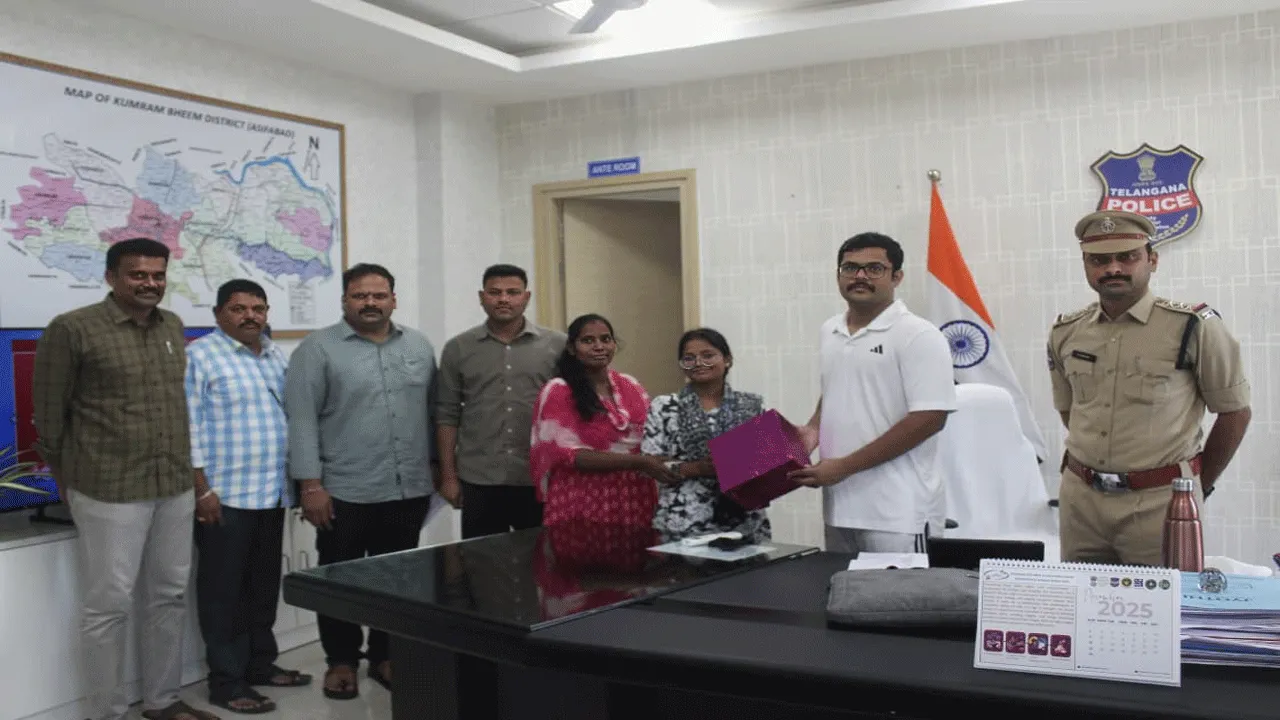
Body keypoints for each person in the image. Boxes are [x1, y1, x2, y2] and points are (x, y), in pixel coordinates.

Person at [32, 238, 219, 720]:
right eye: (138, 274)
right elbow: (49, 420)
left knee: (169, 596)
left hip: (172, 484)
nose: (150, 283)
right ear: (111, 277)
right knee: (109, 606)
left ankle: (162, 701)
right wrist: (69, 484)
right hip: (108, 488)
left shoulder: (172, 325)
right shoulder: (72, 328)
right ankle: (107, 712)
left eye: (158, 275)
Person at [1048, 210, 1251, 565]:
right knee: (1082, 598)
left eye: (1127, 257)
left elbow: (1235, 414)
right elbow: (1071, 411)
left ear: (1152, 260)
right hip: (1082, 503)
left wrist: (1196, 486)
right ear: (1085, 265)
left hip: (1160, 503)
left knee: (1163, 600)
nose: (1113, 268)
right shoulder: (1066, 331)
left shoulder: (1193, 327)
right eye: (1099, 260)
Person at [285, 263, 438, 699]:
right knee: (340, 580)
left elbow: (433, 411)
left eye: (379, 295)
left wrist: (436, 468)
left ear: (393, 299)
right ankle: (341, 661)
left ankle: (386, 655)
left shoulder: (419, 345)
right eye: (360, 295)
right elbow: (302, 420)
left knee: (398, 579)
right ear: (345, 301)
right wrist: (310, 486)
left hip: (407, 487)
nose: (370, 303)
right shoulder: (316, 349)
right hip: (343, 490)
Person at [186, 279, 311, 714]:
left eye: (258, 308)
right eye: (239, 309)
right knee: (223, 594)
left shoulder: (276, 356)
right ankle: (227, 682)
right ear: (219, 313)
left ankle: (260, 665)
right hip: (225, 497)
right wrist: (202, 490)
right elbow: (188, 427)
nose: (250, 316)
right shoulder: (200, 357)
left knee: (262, 588)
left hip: (271, 493)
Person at [790, 232, 957, 555]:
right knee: (841, 588)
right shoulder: (830, 330)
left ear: (897, 277)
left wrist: (844, 467)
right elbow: (836, 390)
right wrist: (811, 430)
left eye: (874, 269)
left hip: (898, 513)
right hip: (839, 507)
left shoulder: (918, 334)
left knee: (898, 590)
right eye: (850, 267)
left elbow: (930, 418)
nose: (860, 276)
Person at [436, 264, 565, 538]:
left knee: (539, 556)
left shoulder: (557, 346)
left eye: (513, 292)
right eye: (495, 292)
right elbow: (447, 414)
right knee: (481, 558)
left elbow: (571, 413)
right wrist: (448, 477)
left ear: (526, 297)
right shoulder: (459, 348)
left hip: (538, 476)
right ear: (481, 297)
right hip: (479, 478)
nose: (503, 299)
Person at [529, 314, 676, 528]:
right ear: (571, 348)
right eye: (588, 341)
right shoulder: (558, 390)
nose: (599, 347)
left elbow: (653, 436)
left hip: (634, 499)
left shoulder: (630, 385)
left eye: (606, 339)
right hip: (581, 501)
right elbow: (569, 455)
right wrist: (639, 462)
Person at [641, 328, 771, 541]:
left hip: (745, 522)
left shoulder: (751, 405)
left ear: (727, 360)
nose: (698, 363)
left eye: (708, 355)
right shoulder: (664, 406)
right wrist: (698, 468)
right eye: (689, 358)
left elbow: (767, 463)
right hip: (684, 521)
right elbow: (650, 466)